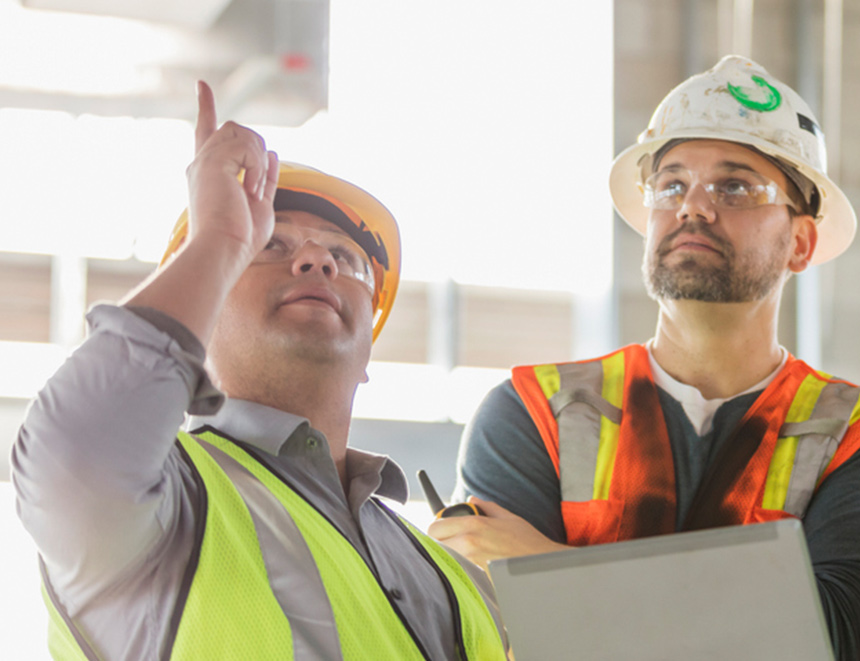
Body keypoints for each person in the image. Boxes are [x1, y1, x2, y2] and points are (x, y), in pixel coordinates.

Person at [430, 55, 860, 661]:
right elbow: (503, 632)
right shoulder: (533, 413)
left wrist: (542, 566)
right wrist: (746, 617)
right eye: (671, 184)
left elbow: (836, 636)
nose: (694, 206)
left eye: (736, 185)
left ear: (800, 242)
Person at [14, 83, 503, 660]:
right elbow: (73, 454)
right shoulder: (159, 510)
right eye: (270, 245)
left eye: (343, 258)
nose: (317, 259)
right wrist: (220, 240)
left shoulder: (458, 582)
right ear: (205, 310)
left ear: (369, 351)